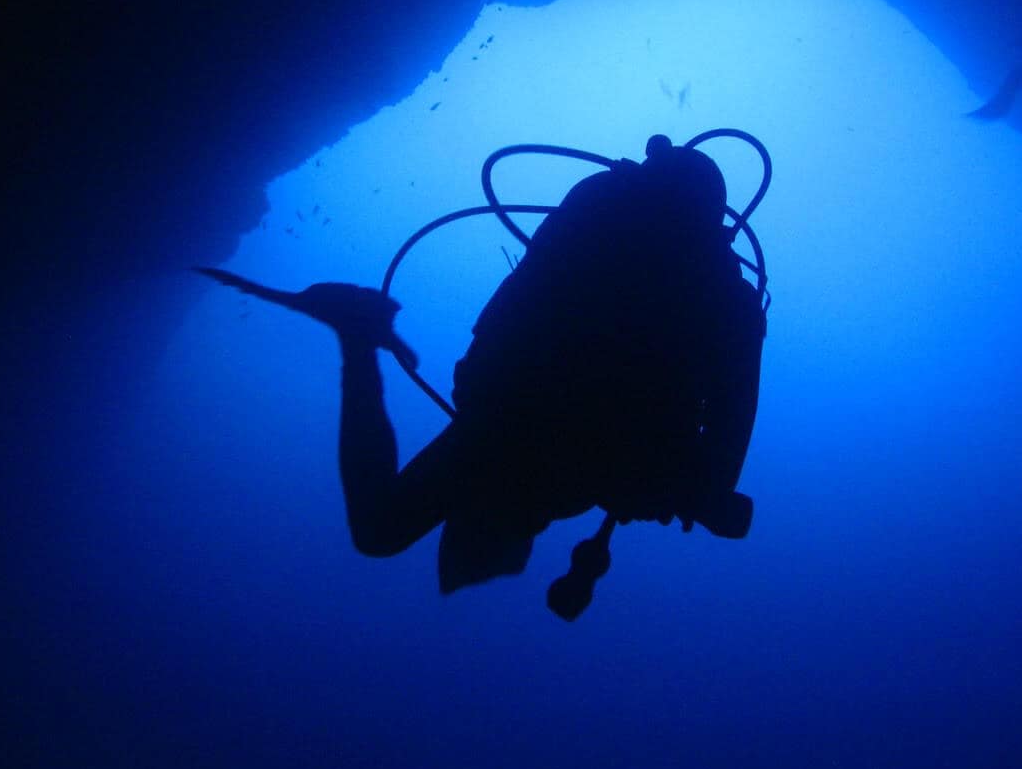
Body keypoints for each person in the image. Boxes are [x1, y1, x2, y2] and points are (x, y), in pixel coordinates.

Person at [202, 135, 766, 618]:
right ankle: (356, 334)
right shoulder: (732, 307)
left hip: (508, 416)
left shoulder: (609, 234)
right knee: (381, 531)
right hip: (518, 425)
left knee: (382, 531)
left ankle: (357, 334)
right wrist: (697, 494)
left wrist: (695, 493)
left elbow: (518, 316)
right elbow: (726, 438)